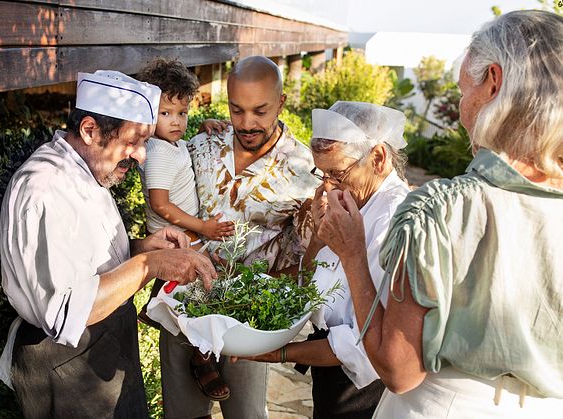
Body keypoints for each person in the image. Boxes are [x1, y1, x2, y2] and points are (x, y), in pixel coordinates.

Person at [316, 10, 563, 418]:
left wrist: (353, 254)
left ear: (494, 84)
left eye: (464, 88)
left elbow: (399, 370)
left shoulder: (441, 211)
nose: (462, 104)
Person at [0, 70, 217, 418]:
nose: (141, 155)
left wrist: (143, 248)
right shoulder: (45, 188)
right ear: (89, 130)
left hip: (106, 344)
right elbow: (66, 312)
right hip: (66, 366)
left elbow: (83, 254)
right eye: (134, 141)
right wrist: (150, 266)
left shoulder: (86, 166)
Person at [157, 55, 317, 419]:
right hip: (187, 307)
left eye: (260, 111)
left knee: (246, 415)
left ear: (282, 103)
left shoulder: (304, 171)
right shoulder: (202, 145)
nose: (247, 123)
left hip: (249, 322)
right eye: (236, 109)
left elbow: (310, 258)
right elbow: (159, 153)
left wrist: (263, 296)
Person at [241, 101, 411, 419]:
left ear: (377, 157)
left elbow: (363, 342)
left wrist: (277, 352)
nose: (328, 186)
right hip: (329, 366)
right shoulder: (352, 200)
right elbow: (315, 284)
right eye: (323, 173)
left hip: (364, 389)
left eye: (338, 173)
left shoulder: (394, 218)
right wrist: (318, 240)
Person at [134, 58, 235, 401]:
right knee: (200, 297)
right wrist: (203, 227)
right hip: (176, 240)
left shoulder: (170, 144)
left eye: (183, 113)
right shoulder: (158, 153)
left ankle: (154, 305)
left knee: (194, 293)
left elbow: (179, 152)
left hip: (184, 237)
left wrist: (199, 128)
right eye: (166, 114)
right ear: (148, 113)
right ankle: (202, 358)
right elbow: (161, 204)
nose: (176, 121)